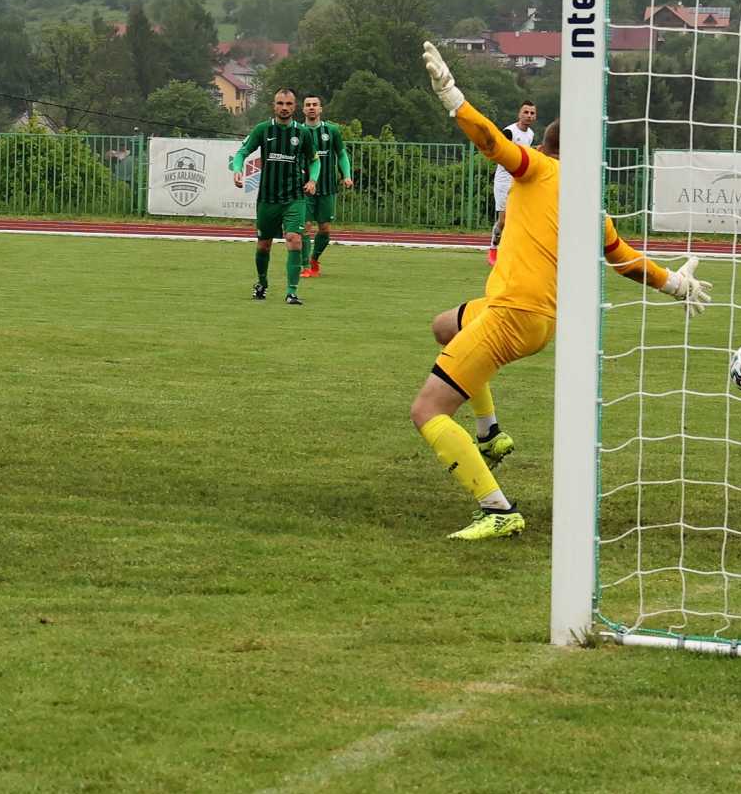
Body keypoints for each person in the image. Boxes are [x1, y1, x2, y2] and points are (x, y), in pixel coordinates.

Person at [414, 42, 713, 540]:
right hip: (538, 320)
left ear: (546, 147)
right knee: (445, 326)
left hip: (511, 313)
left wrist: (453, 98)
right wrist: (676, 283)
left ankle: (497, 509)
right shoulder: (591, 203)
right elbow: (624, 260)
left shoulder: (539, 169)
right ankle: (490, 432)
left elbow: (492, 143)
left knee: (427, 411)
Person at [229, 88, 320, 304]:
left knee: (294, 240)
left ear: (294, 107)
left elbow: (314, 160)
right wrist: (237, 169)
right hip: (268, 199)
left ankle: (291, 292)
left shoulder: (302, 133)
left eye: (288, 104)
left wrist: (313, 180)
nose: (284, 108)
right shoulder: (263, 129)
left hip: (294, 197)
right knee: (264, 245)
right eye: (280, 103)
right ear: (274, 106)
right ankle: (262, 283)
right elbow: (242, 152)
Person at [298, 94, 353, 278]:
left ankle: (314, 259)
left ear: (320, 109)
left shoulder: (331, 130)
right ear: (303, 109)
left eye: (315, 104)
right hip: (304, 188)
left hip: (327, 187)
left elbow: (342, 154)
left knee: (325, 229)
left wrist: (347, 175)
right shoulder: (298, 131)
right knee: (305, 227)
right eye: (308, 105)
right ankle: (305, 266)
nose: (311, 107)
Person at [489, 100, 537, 266]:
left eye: (532, 113)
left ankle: (513, 251)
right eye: (526, 112)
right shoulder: (509, 132)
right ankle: (493, 247)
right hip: (504, 180)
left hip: (519, 180)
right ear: (519, 114)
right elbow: (501, 153)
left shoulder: (530, 134)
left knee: (519, 218)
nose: (529, 116)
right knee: (503, 221)